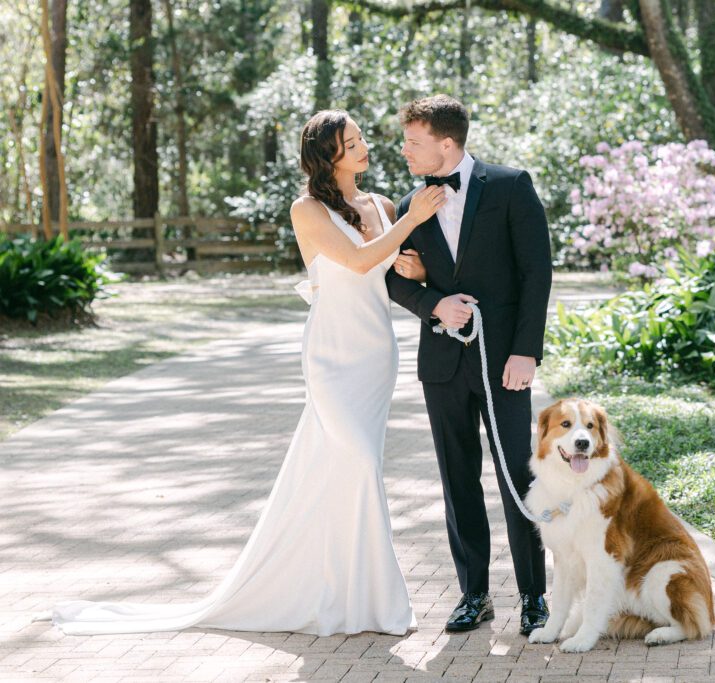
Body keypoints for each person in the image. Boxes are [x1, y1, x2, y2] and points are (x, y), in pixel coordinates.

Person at [40, 110, 447, 636]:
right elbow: (355, 260)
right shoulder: (308, 209)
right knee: (362, 462)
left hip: (376, 356)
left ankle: (351, 594)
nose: (365, 146)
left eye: (362, 137)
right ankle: (370, 599)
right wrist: (411, 224)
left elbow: (389, 271)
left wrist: (411, 266)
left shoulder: (381, 204)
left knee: (345, 472)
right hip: (332, 355)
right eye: (352, 142)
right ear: (329, 157)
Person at [385, 95, 553, 635]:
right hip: (441, 364)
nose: (405, 151)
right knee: (457, 479)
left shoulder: (509, 186)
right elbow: (389, 277)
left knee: (515, 478)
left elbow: (536, 272)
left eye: (414, 141)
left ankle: (534, 597)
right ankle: (473, 594)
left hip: (505, 361)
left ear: (447, 143)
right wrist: (432, 301)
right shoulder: (412, 203)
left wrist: (526, 351)